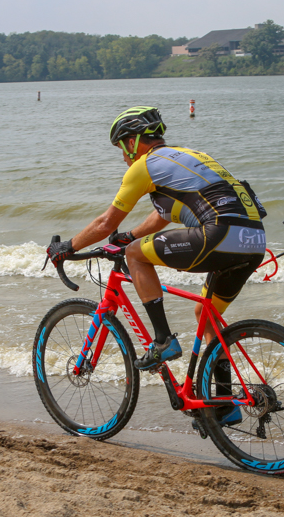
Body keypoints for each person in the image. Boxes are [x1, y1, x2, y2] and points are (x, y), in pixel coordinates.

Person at [46, 107, 267, 423]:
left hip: (219, 234)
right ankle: (225, 404)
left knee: (135, 254)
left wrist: (67, 248)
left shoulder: (145, 165)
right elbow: (165, 213)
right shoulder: (188, 157)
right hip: (254, 239)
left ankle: (163, 341)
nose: (123, 157)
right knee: (206, 318)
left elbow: (105, 222)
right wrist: (130, 234)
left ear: (132, 142)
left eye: (121, 148)